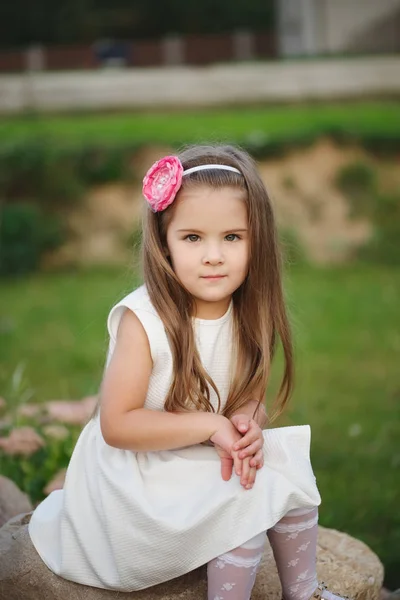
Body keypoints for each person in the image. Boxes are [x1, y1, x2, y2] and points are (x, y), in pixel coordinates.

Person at [29, 145, 349, 600]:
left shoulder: (248, 312)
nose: (214, 256)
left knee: (285, 466)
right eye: (193, 238)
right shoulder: (144, 320)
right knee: (243, 504)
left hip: (197, 453)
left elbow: (248, 398)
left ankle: (304, 591)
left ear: (257, 239)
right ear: (164, 242)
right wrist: (210, 425)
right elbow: (117, 424)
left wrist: (246, 425)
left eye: (233, 237)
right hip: (138, 473)